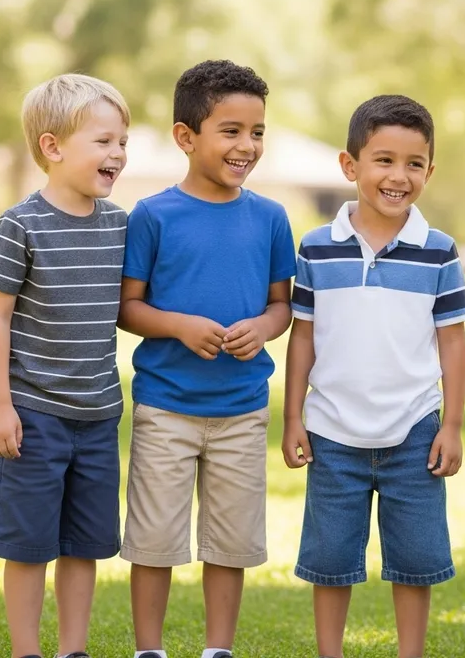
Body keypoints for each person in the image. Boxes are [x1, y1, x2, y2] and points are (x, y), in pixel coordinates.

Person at [283, 94, 465, 658]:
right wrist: (293, 416)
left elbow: (453, 342)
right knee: (330, 558)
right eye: (384, 160)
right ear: (351, 166)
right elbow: (304, 336)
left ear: (430, 172)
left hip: (415, 429)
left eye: (414, 164)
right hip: (331, 430)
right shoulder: (317, 246)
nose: (399, 176)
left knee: (415, 560)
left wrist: (453, 424)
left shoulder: (438, 252)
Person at [117, 60, 296, 658]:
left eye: (258, 132)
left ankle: (218, 648)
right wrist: (180, 326)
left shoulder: (270, 218)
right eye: (231, 130)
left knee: (231, 540)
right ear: (185, 136)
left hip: (241, 408)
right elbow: (129, 308)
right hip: (165, 406)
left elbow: (282, 307)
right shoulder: (152, 215)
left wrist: (263, 329)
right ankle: (150, 649)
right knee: (155, 538)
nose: (247, 145)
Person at [0, 74, 130, 658]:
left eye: (122, 142)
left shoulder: (122, 225)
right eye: (103, 142)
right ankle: (26, 650)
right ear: (53, 147)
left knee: (85, 544)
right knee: (28, 546)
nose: (118, 154)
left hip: (98, 415)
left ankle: (72, 650)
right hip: (33, 414)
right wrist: (1, 406)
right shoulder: (18, 226)